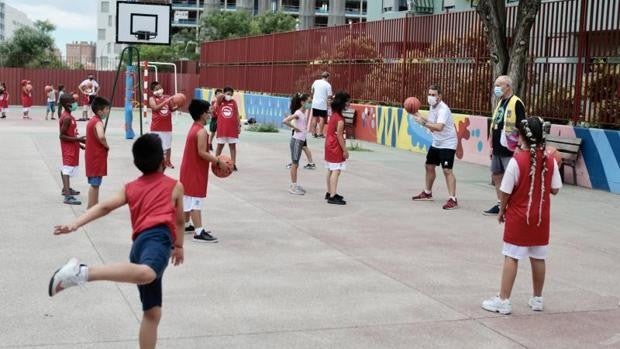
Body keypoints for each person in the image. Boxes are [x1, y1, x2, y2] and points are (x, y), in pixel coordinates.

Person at [49, 133, 185, 349]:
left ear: (137, 163)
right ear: (163, 161)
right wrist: (178, 245)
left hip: (139, 246)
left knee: (152, 312)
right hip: (157, 241)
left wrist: (76, 223)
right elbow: (179, 220)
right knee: (147, 273)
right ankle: (82, 272)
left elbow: (105, 206)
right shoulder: (175, 186)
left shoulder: (131, 187)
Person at [481, 116, 562, 315]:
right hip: (540, 218)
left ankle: (504, 300)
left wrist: (502, 211)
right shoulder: (550, 160)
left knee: (511, 256)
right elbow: (555, 190)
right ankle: (537, 298)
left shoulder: (517, 161)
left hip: (519, 216)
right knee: (538, 257)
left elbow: (506, 191)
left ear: (522, 137)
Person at [411, 84, 458, 210]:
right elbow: (432, 124)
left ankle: (453, 199)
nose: (430, 97)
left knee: (447, 170)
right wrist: (419, 116)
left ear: (440, 96)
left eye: (433, 95)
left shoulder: (443, 109)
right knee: (429, 166)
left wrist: (423, 123)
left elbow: (439, 127)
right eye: (429, 94)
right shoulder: (433, 106)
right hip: (437, 142)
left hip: (448, 143)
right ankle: (427, 192)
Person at [179, 99, 221, 243]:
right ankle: (199, 232)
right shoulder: (201, 131)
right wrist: (218, 161)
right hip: (195, 170)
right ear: (202, 114)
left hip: (188, 168)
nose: (210, 113)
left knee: (188, 198)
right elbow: (202, 152)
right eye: (209, 111)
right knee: (195, 200)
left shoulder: (194, 127)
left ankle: (185, 225)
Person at [484, 75, 526, 216]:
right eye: (495, 85)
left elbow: (522, 126)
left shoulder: (516, 102)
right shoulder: (500, 102)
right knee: (496, 175)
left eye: (499, 85)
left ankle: (513, 205)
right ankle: (500, 203)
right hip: (497, 147)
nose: (496, 88)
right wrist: (491, 145)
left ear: (508, 86)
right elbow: (495, 124)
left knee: (512, 178)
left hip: (510, 149)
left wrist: (519, 147)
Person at [282, 93, 312, 195]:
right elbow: (285, 121)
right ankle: (293, 186)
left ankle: (294, 184)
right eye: (308, 102)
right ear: (302, 102)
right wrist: (296, 129)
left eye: (310, 102)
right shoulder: (298, 113)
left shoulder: (303, 113)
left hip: (300, 141)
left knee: (296, 164)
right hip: (296, 141)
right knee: (294, 164)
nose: (310, 104)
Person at [58, 94, 85, 205]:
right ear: (68, 105)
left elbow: (71, 133)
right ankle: (67, 196)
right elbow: (62, 135)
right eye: (73, 101)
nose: (75, 103)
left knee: (67, 168)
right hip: (68, 148)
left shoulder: (69, 116)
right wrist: (78, 139)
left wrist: (79, 144)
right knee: (67, 169)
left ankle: (66, 188)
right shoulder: (67, 118)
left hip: (72, 146)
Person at [85, 97, 111, 209]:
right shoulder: (98, 122)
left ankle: (93, 205)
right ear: (100, 111)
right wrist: (106, 145)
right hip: (97, 157)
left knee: (94, 184)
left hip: (91, 156)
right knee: (95, 184)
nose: (108, 111)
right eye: (107, 109)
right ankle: (92, 207)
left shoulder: (92, 120)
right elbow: (101, 136)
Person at [324, 91, 350, 205]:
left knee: (330, 169)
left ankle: (330, 192)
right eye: (348, 102)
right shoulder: (339, 118)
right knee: (336, 170)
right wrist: (345, 150)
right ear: (342, 103)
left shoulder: (334, 114)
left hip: (329, 144)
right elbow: (339, 135)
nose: (349, 104)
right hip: (335, 146)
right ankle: (333, 196)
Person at [148, 81, 178, 169]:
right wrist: (166, 101)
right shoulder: (152, 99)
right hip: (156, 127)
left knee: (168, 146)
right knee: (156, 146)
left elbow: (172, 109)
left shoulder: (167, 97)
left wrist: (179, 105)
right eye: (157, 89)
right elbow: (155, 108)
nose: (159, 90)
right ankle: (156, 162)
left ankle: (167, 161)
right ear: (153, 91)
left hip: (167, 126)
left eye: (160, 88)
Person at [214, 86, 240, 171]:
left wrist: (238, 126)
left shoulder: (233, 102)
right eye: (228, 94)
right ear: (224, 93)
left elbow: (237, 115)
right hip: (222, 129)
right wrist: (223, 94)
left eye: (231, 94)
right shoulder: (220, 101)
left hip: (232, 129)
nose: (229, 96)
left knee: (232, 147)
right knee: (220, 146)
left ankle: (233, 163)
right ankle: (215, 162)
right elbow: (218, 97)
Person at [309, 71, 333, 138]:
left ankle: (313, 133)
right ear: (328, 77)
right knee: (322, 118)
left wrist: (313, 97)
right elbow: (329, 96)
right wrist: (329, 103)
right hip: (322, 104)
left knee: (314, 117)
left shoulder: (316, 82)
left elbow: (312, 90)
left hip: (315, 103)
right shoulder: (328, 85)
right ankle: (320, 133)